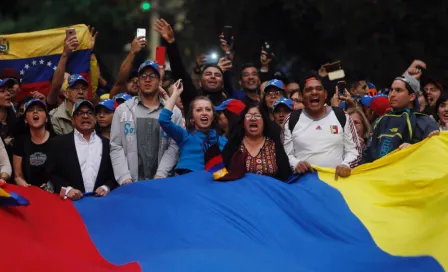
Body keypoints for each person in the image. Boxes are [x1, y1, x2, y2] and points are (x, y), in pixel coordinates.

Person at [110, 60, 183, 185]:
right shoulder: (123, 110)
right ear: (138, 82)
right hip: (131, 184)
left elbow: (175, 146)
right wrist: (124, 178)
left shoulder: (174, 112)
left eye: (152, 76)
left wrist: (161, 174)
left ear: (160, 82)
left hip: (164, 183)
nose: (147, 80)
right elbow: (116, 146)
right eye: (143, 76)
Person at [283, 76, 362, 180]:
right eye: (308, 90)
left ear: (325, 95)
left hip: (337, 183)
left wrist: (346, 165)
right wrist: (296, 164)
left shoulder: (341, 116)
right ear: (301, 97)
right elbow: (285, 154)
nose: (314, 92)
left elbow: (354, 150)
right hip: (303, 185)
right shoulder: (291, 119)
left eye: (319, 89)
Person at [154, 18, 229, 113]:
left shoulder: (229, 104)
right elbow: (180, 73)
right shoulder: (192, 98)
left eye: (217, 75)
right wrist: (171, 43)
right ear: (200, 81)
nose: (213, 77)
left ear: (222, 83)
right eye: (208, 74)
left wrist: (228, 51)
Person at [48, 100, 117, 200]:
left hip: (101, 202)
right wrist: (67, 190)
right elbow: (51, 174)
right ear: (72, 120)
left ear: (95, 118)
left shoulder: (108, 144)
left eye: (89, 113)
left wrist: (107, 187)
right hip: (71, 205)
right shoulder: (58, 144)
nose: (85, 116)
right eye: (80, 113)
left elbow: (114, 174)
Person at [363, 75, 439, 162]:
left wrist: (414, 149)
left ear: (412, 97)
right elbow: (367, 154)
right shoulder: (380, 120)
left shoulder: (426, 122)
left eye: (398, 90)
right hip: (376, 173)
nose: (392, 94)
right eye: (391, 90)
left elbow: (433, 157)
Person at [159, 80, 227, 174]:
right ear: (192, 118)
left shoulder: (223, 141)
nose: (204, 113)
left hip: (214, 185)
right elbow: (163, 120)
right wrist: (175, 94)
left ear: (213, 116)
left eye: (208, 110)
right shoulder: (184, 135)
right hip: (188, 184)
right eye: (199, 110)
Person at [222, 103, 291, 181]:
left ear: (264, 121)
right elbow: (222, 172)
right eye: (248, 116)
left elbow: (285, 175)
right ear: (243, 122)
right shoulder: (234, 143)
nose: (253, 118)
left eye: (257, 116)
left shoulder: (274, 143)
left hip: (269, 191)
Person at [13, 99, 55, 188]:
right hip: (29, 192)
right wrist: (29, 189)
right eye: (31, 110)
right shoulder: (20, 142)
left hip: (54, 192)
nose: (35, 111)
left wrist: (51, 185)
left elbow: (63, 172)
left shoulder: (57, 141)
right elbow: (18, 176)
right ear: (25, 119)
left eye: (40, 110)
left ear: (47, 118)